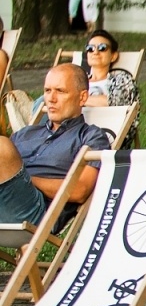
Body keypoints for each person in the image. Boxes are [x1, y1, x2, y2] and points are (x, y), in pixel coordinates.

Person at [0, 63, 113, 225]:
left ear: (82, 97)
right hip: (4, 199)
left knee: (2, 146)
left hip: (38, 212)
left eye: (60, 91)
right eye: (47, 91)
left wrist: (27, 179)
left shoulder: (91, 137)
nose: (51, 99)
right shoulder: (25, 133)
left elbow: (80, 190)